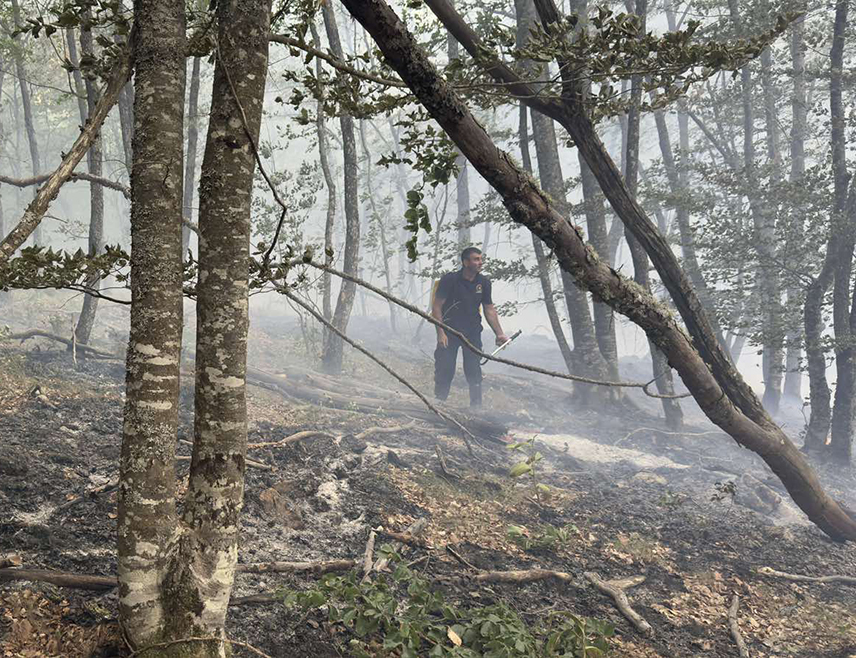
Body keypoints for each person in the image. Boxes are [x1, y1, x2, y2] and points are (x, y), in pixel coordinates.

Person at [432, 247, 508, 407]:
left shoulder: (484, 283)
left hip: (472, 332)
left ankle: (476, 407)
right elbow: (437, 307)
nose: (480, 262)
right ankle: (438, 404)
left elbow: (489, 309)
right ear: (465, 262)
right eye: (476, 259)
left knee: (473, 370)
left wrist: (499, 333)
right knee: (445, 368)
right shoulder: (450, 280)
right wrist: (440, 332)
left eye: (480, 259)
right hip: (449, 331)